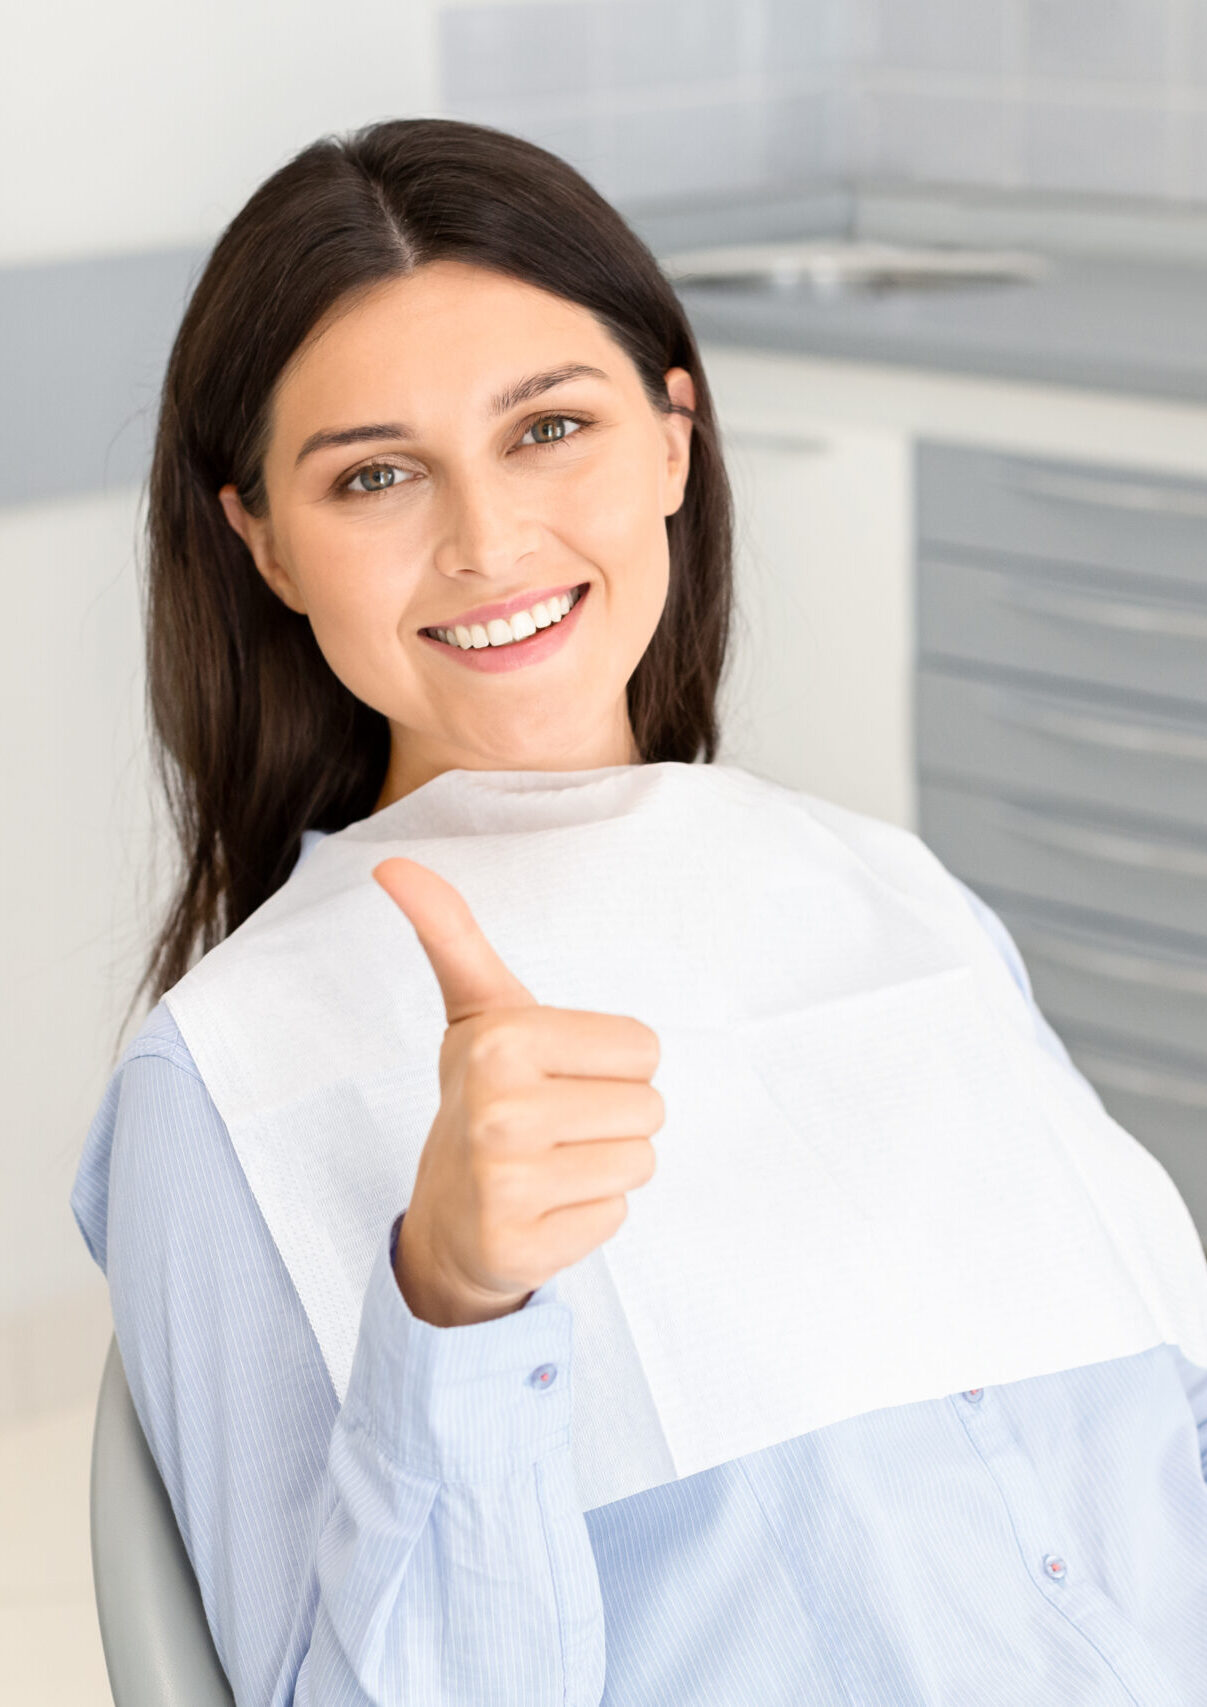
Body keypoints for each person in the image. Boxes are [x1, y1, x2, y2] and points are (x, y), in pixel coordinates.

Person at [72, 117, 1207, 1707]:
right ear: (262, 538)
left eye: (549, 429)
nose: (488, 543)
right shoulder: (234, 1084)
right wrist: (456, 1307)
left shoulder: (899, 896)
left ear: (677, 436)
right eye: (378, 475)